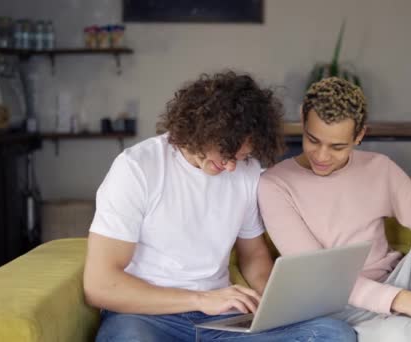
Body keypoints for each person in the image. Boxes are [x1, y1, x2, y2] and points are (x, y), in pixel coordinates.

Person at [83, 71, 357, 342]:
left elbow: (253, 257)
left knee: (333, 334)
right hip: (145, 316)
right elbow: (100, 286)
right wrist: (202, 299)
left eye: (243, 156)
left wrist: (276, 306)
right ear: (200, 130)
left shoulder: (246, 172)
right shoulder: (137, 168)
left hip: (220, 320)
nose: (231, 166)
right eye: (226, 153)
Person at [258, 77, 411, 342]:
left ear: (359, 135)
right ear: (302, 118)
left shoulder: (380, 168)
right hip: (339, 309)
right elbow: (321, 279)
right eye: (313, 140)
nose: (321, 156)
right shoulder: (274, 185)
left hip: (400, 283)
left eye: (337, 147)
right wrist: (409, 302)